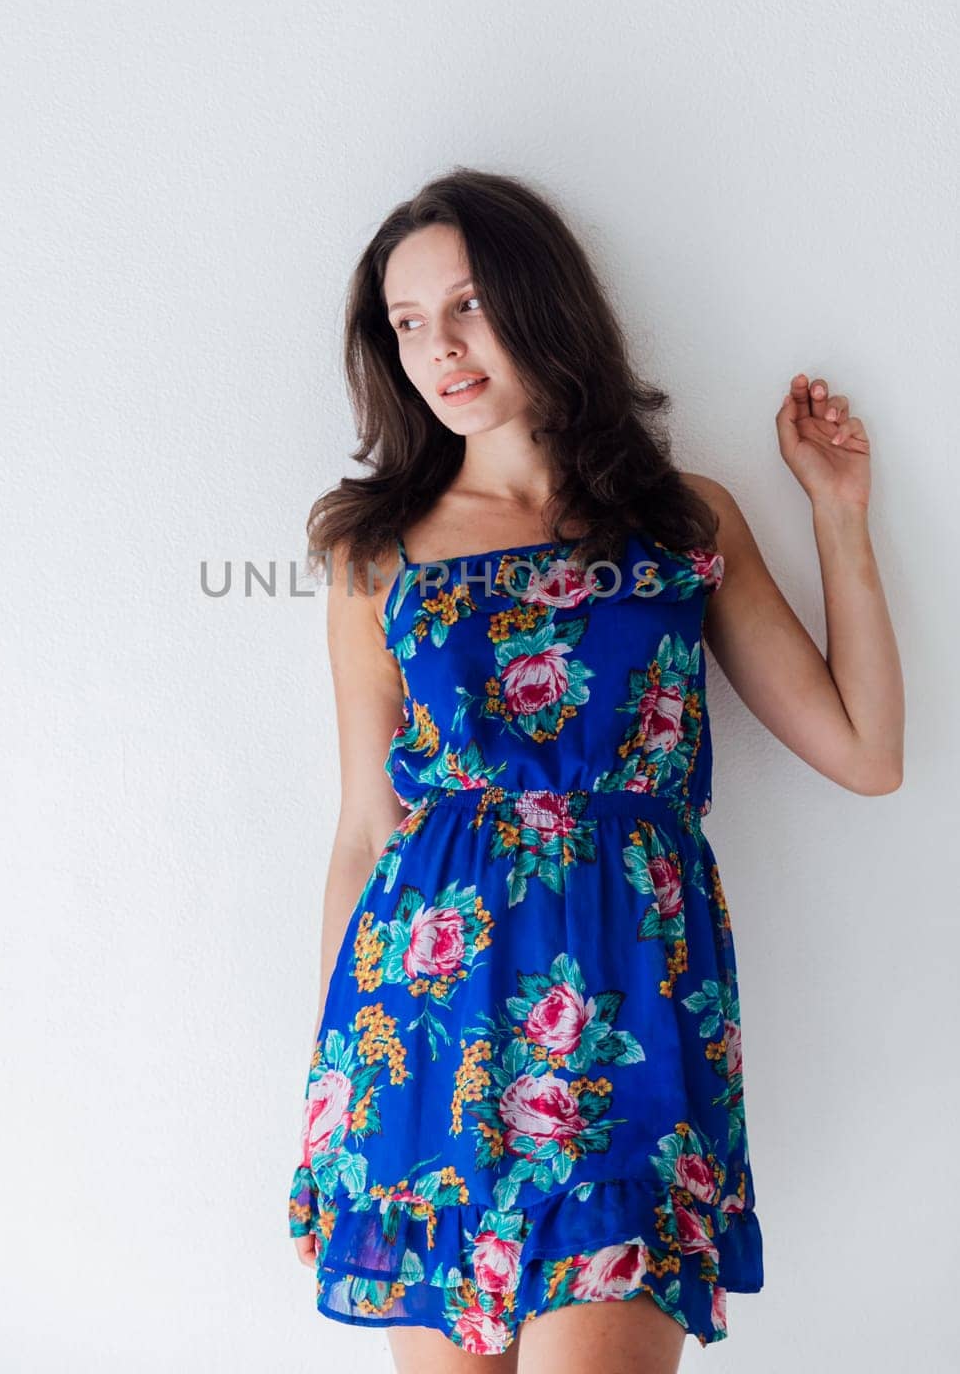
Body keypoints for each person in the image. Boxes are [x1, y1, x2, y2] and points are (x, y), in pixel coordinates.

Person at [286, 168, 904, 1373]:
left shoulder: (680, 521)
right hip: (420, 1038)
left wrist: (837, 513)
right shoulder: (374, 548)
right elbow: (366, 826)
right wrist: (330, 1085)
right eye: (406, 323)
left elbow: (865, 753)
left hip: (627, 1012)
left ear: (540, 300)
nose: (437, 348)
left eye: (465, 305)